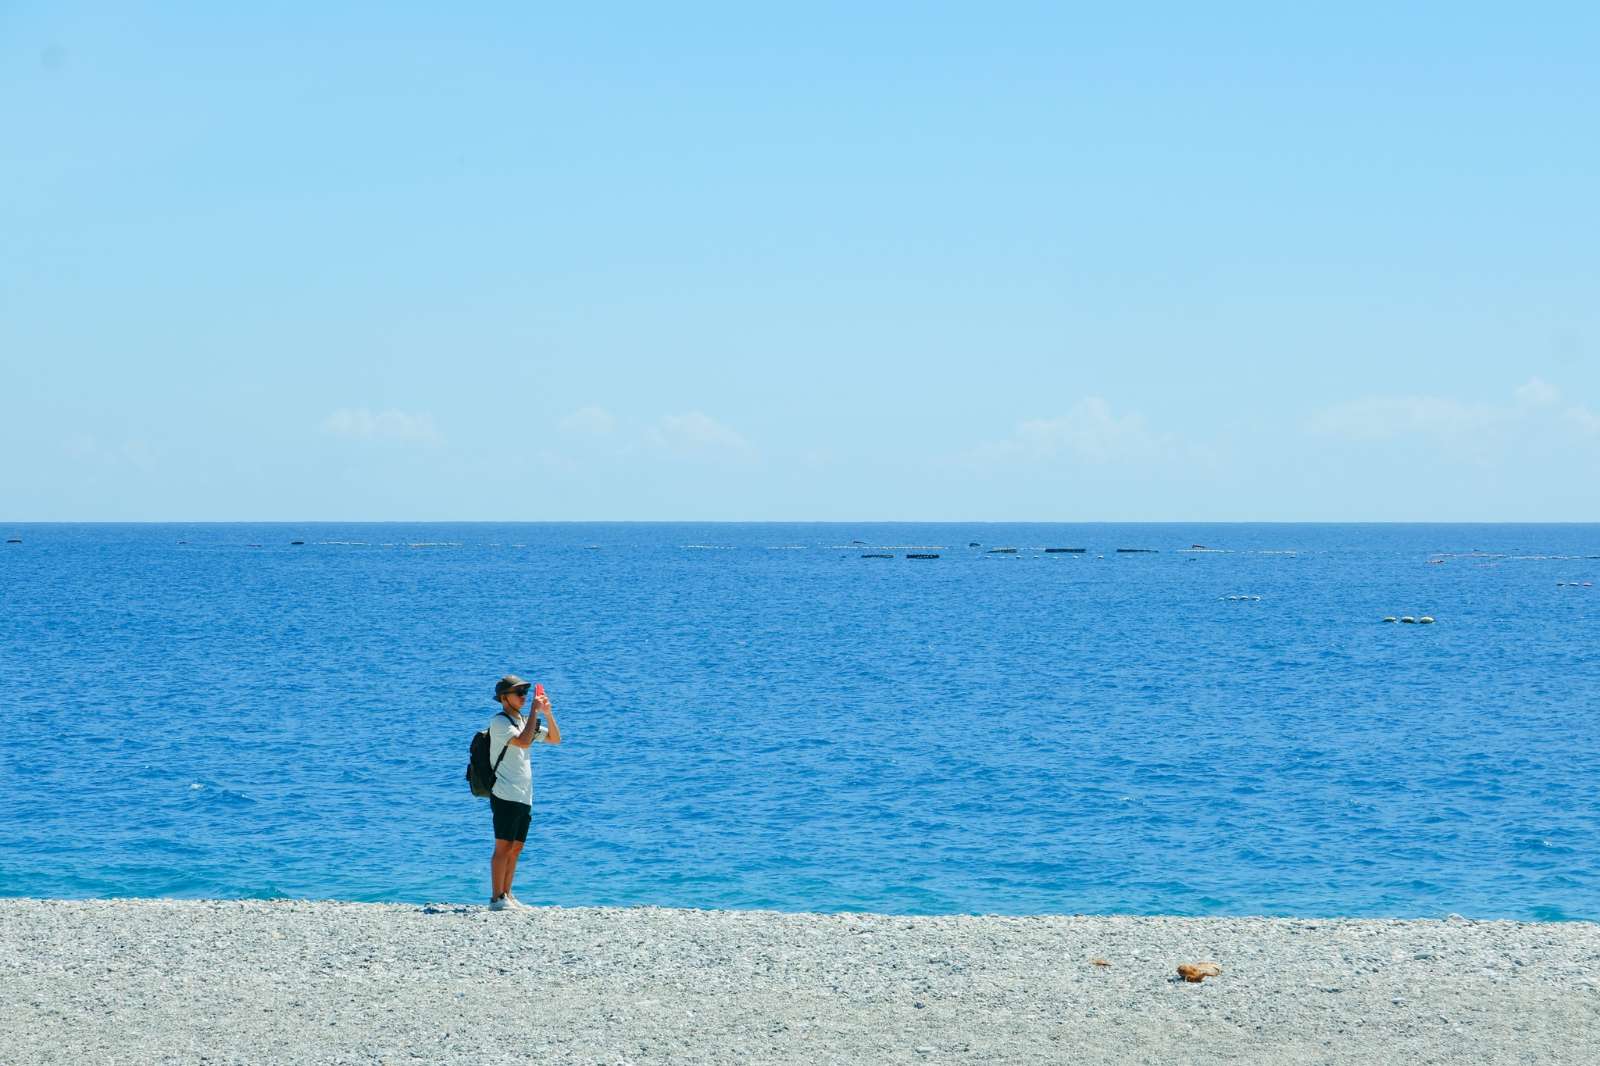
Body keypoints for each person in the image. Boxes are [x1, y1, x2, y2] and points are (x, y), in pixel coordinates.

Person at [487, 674, 561, 910]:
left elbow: (555, 739)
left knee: (516, 846)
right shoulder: (500, 722)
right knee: (503, 846)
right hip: (504, 792)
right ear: (503, 698)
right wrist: (535, 713)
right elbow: (524, 742)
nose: (523, 697)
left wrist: (547, 713)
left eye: (525, 693)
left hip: (523, 794)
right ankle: (496, 898)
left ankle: (507, 894)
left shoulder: (522, 720)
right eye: (518, 693)